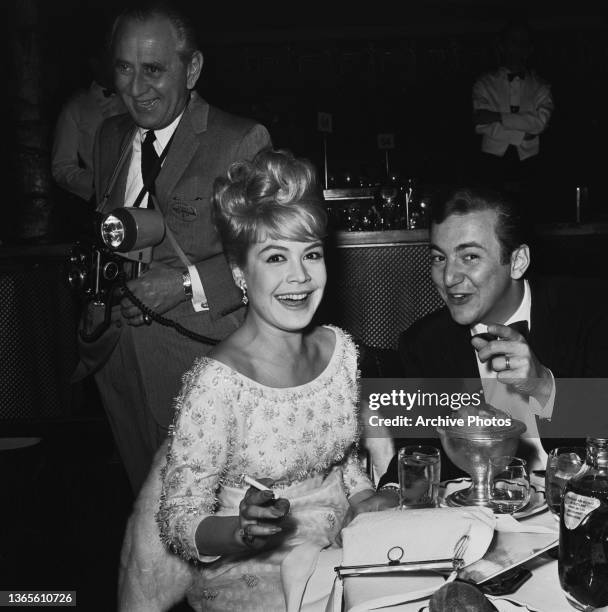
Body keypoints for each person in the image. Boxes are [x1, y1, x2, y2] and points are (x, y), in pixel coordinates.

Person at [118, 149, 396, 612]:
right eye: (275, 257)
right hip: (252, 575)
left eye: (311, 254)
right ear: (239, 273)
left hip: (340, 551)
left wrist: (369, 495)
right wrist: (240, 531)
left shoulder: (340, 351)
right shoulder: (217, 384)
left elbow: (341, 462)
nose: (300, 276)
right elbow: (178, 519)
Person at [72, 3, 272, 494]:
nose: (135, 89)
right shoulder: (109, 136)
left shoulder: (240, 140)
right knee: (148, 519)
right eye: (124, 67)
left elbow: (271, 260)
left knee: (208, 526)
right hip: (118, 364)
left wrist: (185, 282)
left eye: (154, 70)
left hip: (197, 368)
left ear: (193, 68)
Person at [378, 186, 608, 488]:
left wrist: (544, 387)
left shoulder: (592, 311)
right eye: (439, 258)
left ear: (517, 261)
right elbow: (421, 451)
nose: (449, 278)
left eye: (470, 257)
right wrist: (391, 490)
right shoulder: (422, 343)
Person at [472, 21, 553, 211]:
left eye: (523, 42)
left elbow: (539, 123)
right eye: (513, 41)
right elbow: (481, 123)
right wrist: (522, 134)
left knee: (529, 212)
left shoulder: (541, 86)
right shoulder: (484, 83)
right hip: (491, 160)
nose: (518, 47)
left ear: (529, 49)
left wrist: (497, 117)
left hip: (530, 161)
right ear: (502, 46)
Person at [52, 49, 126, 203]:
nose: (114, 65)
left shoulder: (136, 98)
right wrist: (96, 182)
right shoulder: (75, 107)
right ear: (95, 63)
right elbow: (62, 166)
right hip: (101, 202)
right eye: (108, 59)